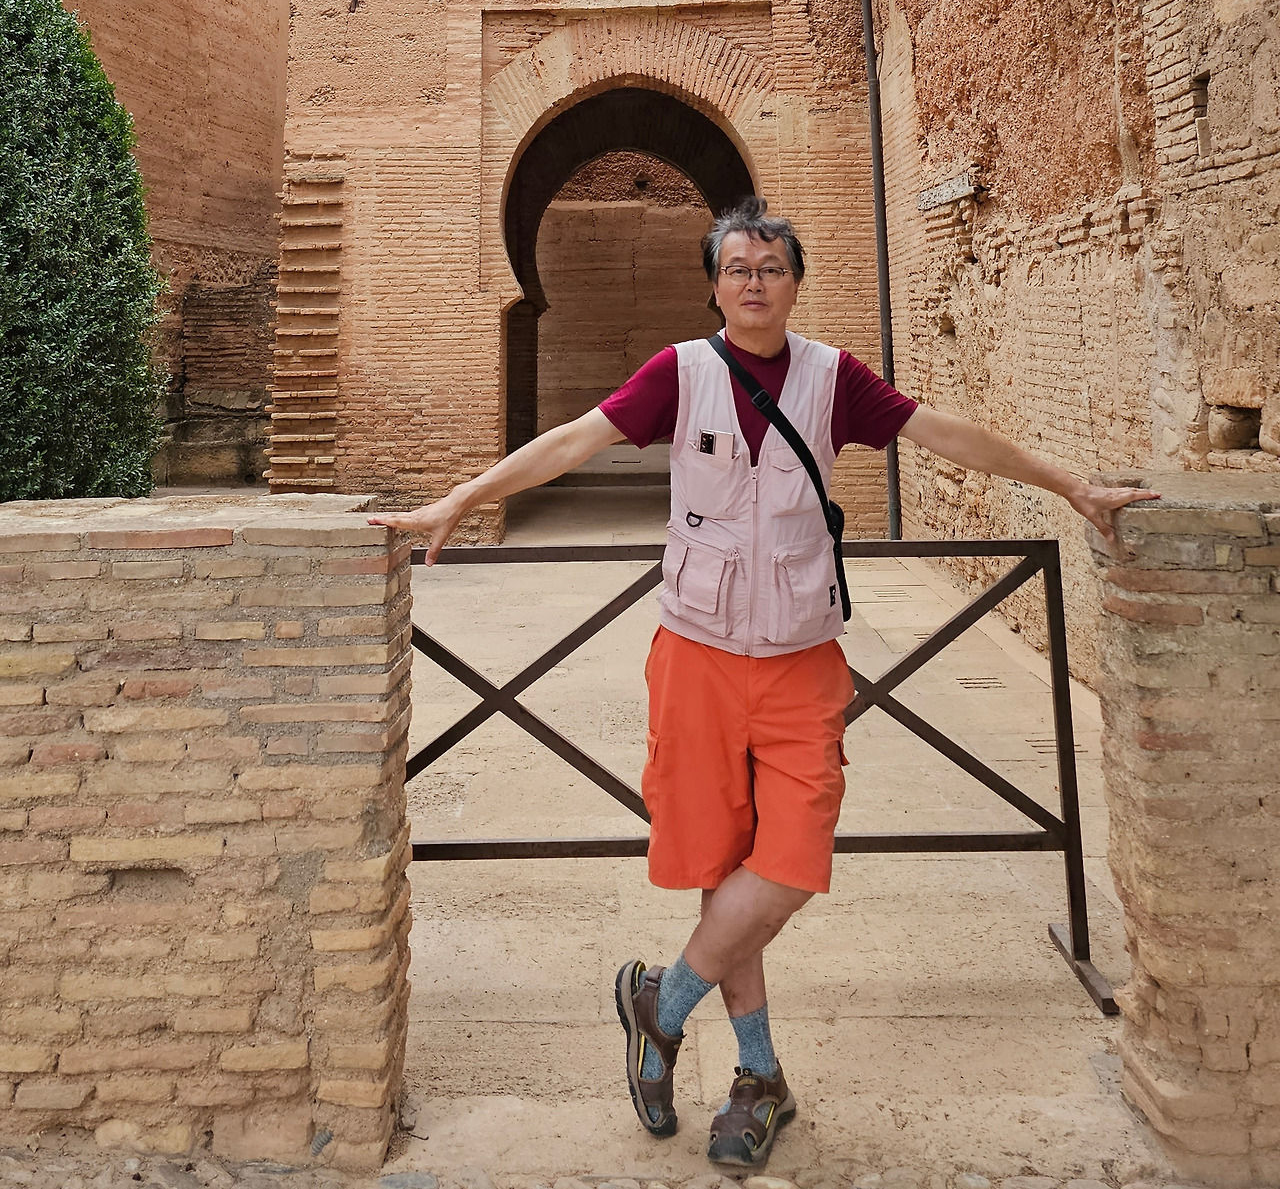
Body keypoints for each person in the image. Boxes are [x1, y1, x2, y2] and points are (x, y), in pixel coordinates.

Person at [371, 196, 1156, 1169]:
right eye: (737, 266)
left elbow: (946, 434)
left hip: (799, 661)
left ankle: (659, 1003)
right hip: (696, 657)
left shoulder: (833, 378)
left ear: (793, 282)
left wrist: (1068, 482)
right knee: (722, 868)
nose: (753, 280)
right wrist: (463, 495)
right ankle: (758, 1077)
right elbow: (574, 438)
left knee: (787, 866)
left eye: (770, 266)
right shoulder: (680, 372)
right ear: (713, 284)